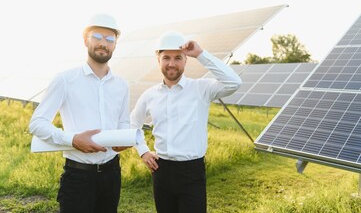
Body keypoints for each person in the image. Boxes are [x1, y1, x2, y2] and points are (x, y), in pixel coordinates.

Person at [131, 31, 242, 213]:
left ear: (186, 60)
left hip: (192, 172)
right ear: (158, 59)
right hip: (161, 170)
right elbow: (133, 123)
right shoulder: (149, 95)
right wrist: (143, 151)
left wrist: (200, 54)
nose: (172, 64)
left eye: (178, 58)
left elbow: (234, 82)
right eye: (166, 57)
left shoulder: (201, 88)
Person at [29, 13, 130, 213]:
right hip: (78, 176)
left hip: (112, 173)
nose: (103, 43)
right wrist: (72, 139)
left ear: (115, 45)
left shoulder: (122, 85)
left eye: (110, 39)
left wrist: (124, 138)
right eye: (97, 37)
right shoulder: (65, 79)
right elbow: (37, 123)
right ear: (85, 40)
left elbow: (124, 122)